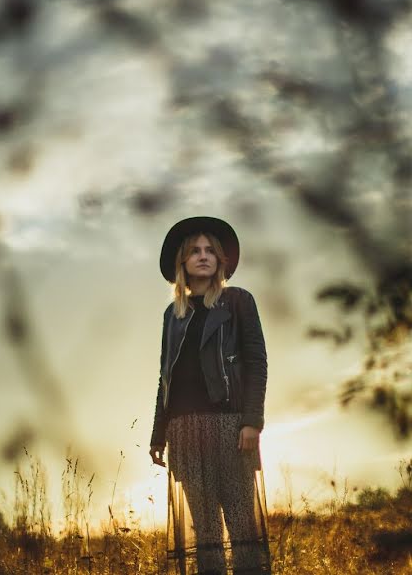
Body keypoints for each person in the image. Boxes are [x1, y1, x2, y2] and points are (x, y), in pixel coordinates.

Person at [149, 216, 271, 575]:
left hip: (230, 427)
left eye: (210, 251)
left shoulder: (237, 302)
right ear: (182, 262)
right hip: (184, 432)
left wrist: (251, 421)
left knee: (240, 522)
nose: (203, 257)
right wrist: (159, 433)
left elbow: (256, 363)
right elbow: (165, 378)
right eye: (194, 252)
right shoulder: (173, 315)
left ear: (220, 260)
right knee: (205, 531)